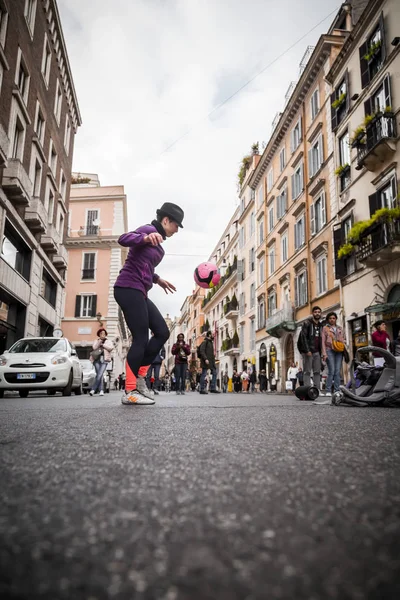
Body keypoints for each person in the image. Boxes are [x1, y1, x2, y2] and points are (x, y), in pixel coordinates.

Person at [114, 202, 183, 405]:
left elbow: (142, 265)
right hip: (127, 288)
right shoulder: (148, 230)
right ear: (166, 220)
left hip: (140, 291)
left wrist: (157, 279)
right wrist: (143, 238)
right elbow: (123, 239)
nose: (177, 229)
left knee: (162, 331)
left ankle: (140, 377)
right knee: (141, 338)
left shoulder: (159, 244)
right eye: (176, 225)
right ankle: (129, 391)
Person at [297, 306, 323, 392]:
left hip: (317, 351)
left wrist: (322, 352)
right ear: (312, 313)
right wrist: (307, 350)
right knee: (307, 371)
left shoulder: (320, 325)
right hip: (309, 351)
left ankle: (317, 389)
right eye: (315, 312)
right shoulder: (307, 323)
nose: (317, 313)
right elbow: (303, 337)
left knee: (317, 372)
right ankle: (307, 389)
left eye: (319, 312)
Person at [321, 312, 346, 399]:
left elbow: (342, 340)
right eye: (330, 318)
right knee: (331, 370)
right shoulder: (325, 328)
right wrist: (324, 354)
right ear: (328, 320)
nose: (332, 319)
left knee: (337, 371)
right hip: (329, 350)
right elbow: (323, 342)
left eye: (333, 318)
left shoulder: (340, 328)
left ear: (336, 319)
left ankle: (337, 390)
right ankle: (328, 390)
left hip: (339, 350)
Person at [89, 328, 114, 396]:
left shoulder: (108, 341)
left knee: (100, 374)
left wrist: (103, 345)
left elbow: (111, 348)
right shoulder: (96, 340)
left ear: (105, 334)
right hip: (96, 360)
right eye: (101, 333)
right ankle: (101, 390)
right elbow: (94, 348)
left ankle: (93, 389)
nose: (102, 334)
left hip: (104, 360)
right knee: (99, 375)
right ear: (99, 334)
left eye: (104, 333)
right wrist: (99, 342)